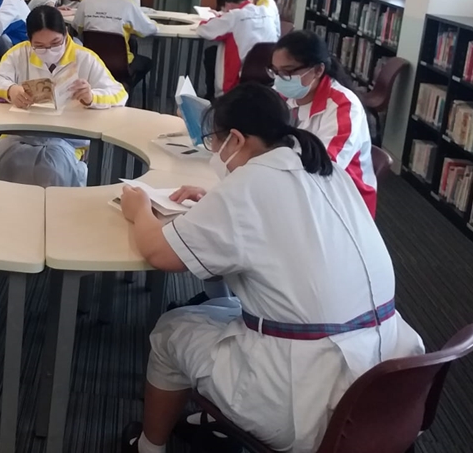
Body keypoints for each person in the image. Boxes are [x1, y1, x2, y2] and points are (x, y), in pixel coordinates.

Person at [118, 83, 423, 453]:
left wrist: (140, 210)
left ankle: (148, 447)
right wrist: (216, 204)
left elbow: (159, 253)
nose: (213, 151)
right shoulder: (325, 169)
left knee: (171, 331)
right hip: (386, 379)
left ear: (235, 139)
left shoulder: (248, 185)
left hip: (306, 400)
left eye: (213, 141)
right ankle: (218, 421)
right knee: (223, 310)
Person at [0, 6, 128, 186]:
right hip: (20, 133)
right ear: (29, 40)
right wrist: (10, 89)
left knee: (53, 172)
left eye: (56, 43)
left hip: (67, 138)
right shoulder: (19, 53)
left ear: (65, 33)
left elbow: (119, 93)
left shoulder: (85, 58)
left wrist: (92, 97)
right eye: (40, 46)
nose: (49, 51)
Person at [271, 30, 378, 217]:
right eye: (275, 71)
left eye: (287, 72)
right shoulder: (283, 93)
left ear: (318, 70)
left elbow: (322, 166)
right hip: (297, 184)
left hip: (342, 200)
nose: (279, 79)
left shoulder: (344, 107)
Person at [73, 0, 157, 84]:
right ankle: (124, 86)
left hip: (91, 61)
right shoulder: (128, 5)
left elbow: (77, 27)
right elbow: (148, 29)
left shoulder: (86, 3)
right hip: (120, 64)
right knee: (147, 62)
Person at [195, 0, 278, 96]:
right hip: (268, 73)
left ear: (227, 4)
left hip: (238, 77)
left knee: (212, 53)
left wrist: (218, 17)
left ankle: (213, 98)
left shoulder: (234, 16)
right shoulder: (265, 11)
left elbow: (204, 29)